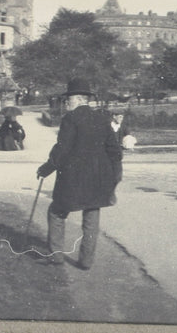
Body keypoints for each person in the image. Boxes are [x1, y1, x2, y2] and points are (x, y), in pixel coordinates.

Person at [36, 79, 123, 269]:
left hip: (73, 178)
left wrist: (46, 168)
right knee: (92, 214)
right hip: (99, 179)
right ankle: (86, 261)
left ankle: (56, 255)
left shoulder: (71, 118)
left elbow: (62, 149)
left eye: (69, 99)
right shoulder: (102, 118)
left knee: (57, 212)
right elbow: (115, 151)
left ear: (78, 99)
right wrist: (114, 176)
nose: (67, 103)